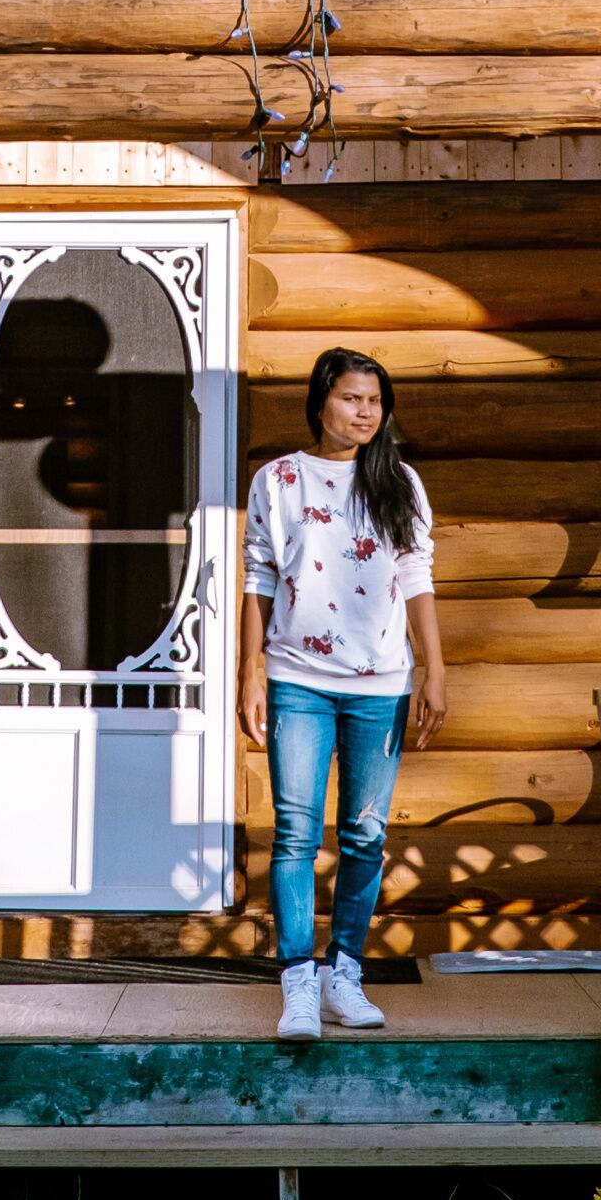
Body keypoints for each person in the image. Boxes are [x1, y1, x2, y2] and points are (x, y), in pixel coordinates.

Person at [239, 344, 446, 1045]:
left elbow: (418, 576)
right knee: (296, 834)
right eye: (352, 398)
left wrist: (434, 670)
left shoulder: (399, 482)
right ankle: (297, 986)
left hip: (381, 683)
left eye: (375, 401)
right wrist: (249, 673)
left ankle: (344, 977)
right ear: (322, 401)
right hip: (296, 678)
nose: (365, 412)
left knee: (365, 834)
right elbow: (258, 578)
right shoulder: (278, 479)